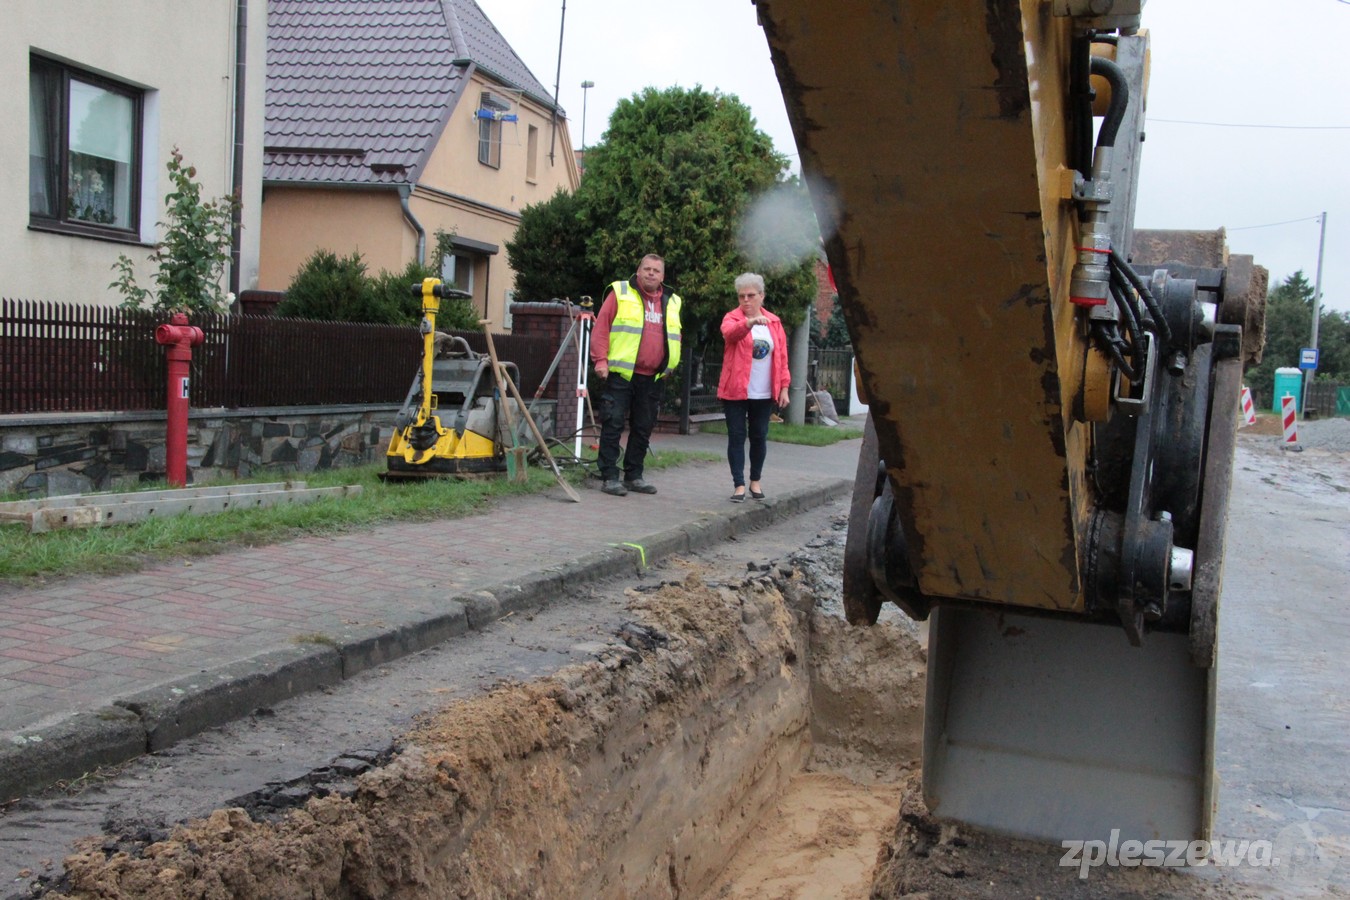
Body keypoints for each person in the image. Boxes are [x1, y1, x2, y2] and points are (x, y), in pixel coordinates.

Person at [589, 253, 683, 496]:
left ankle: (634, 475)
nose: (651, 273)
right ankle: (609, 476)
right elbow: (602, 328)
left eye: (656, 270)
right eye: (647, 269)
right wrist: (600, 360)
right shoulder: (620, 292)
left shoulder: (672, 301)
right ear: (638, 271)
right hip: (622, 373)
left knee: (644, 426)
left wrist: (671, 365)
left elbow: (675, 336)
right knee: (613, 423)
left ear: (663, 276)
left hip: (652, 377)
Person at [717, 272, 791, 502]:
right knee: (736, 436)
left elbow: (782, 359)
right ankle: (739, 485)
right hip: (735, 391)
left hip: (763, 392)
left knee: (759, 436)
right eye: (741, 296)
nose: (746, 300)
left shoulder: (774, 323)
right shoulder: (731, 318)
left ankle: (755, 482)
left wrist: (784, 388)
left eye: (751, 295)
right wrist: (748, 323)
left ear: (761, 296)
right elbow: (731, 334)